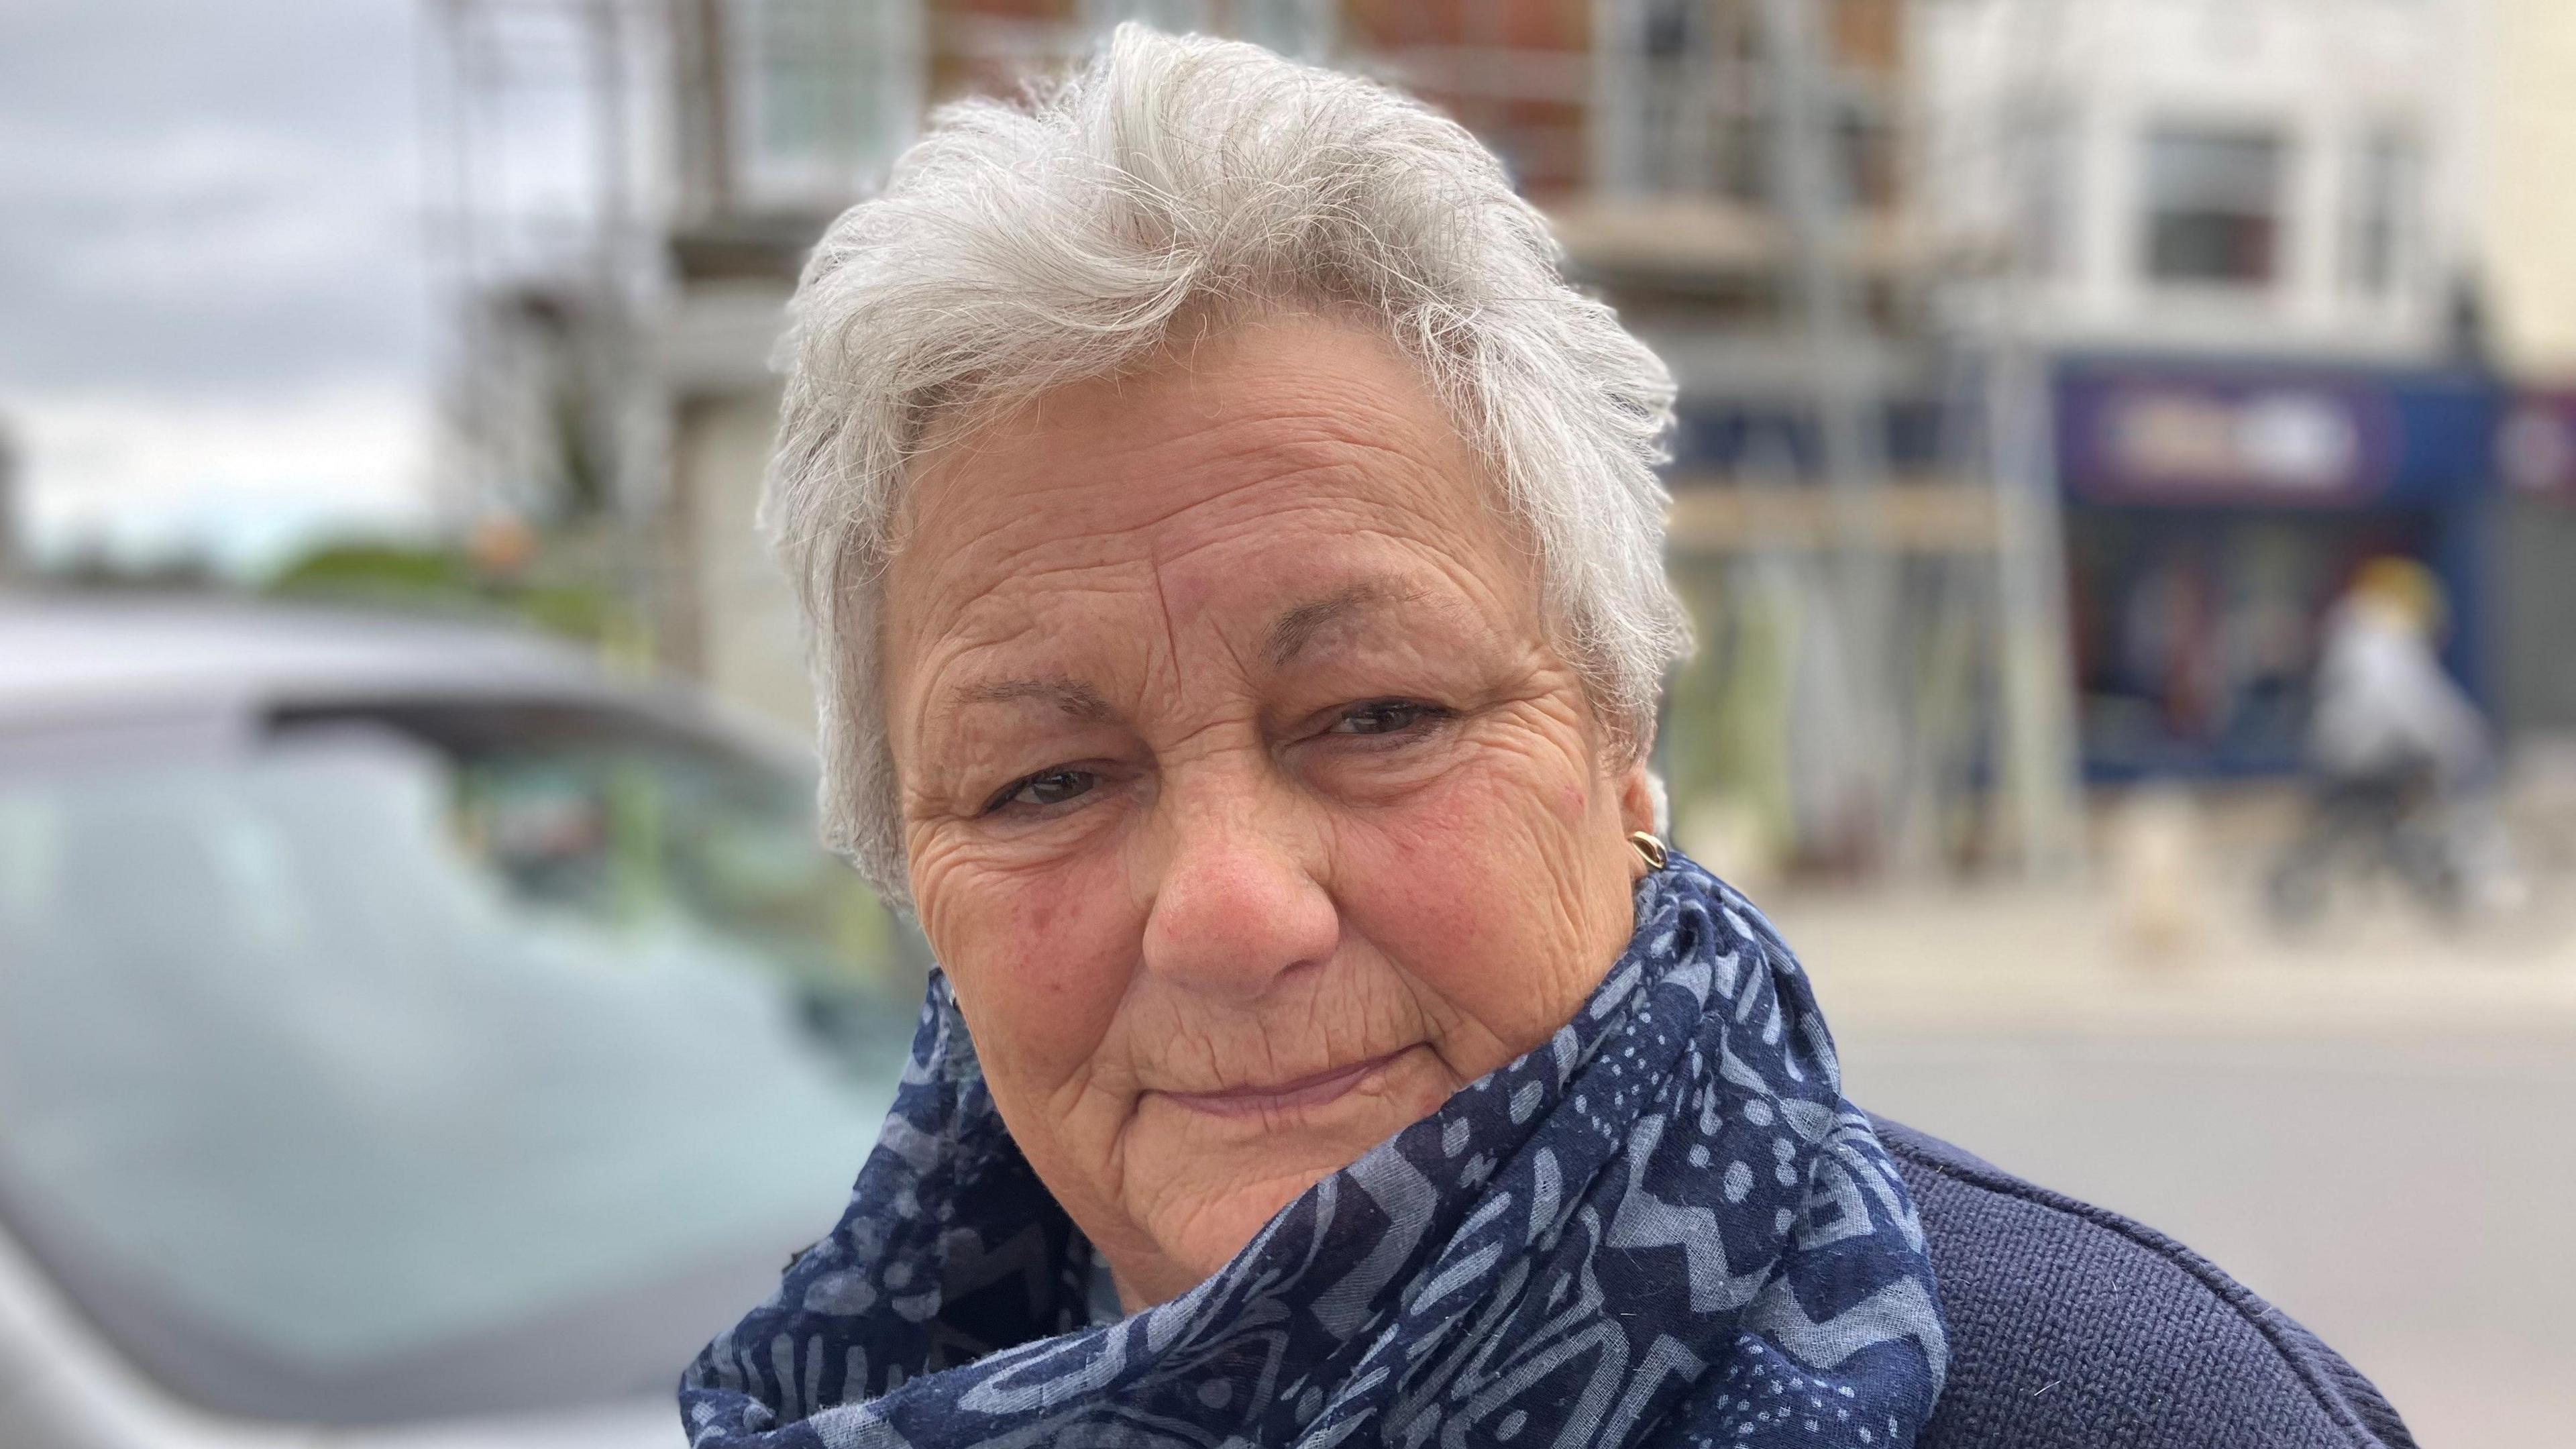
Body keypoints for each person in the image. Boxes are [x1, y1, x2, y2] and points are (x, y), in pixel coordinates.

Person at [681, 28, 2412, 1449]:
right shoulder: (833, 1390)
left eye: (1378, 715)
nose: (1229, 909)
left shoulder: (2151, 1417)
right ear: (913, 857)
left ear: (1620, 736)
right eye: (1047, 781)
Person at [2268, 557, 2501, 922]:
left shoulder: (2360, 636)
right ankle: (2421, 865)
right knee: (2430, 789)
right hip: (2362, 753)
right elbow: (2413, 700)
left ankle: (2407, 858)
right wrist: (2458, 735)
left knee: (2388, 811)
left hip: (2352, 749)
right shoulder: (2381, 642)